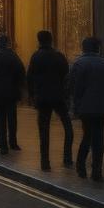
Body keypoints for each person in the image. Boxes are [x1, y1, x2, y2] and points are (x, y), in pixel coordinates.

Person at [27, 29, 73, 172]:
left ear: (39, 40)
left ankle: (45, 162)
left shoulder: (35, 57)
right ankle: (67, 157)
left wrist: (32, 95)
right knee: (68, 127)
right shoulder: (59, 56)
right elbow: (67, 76)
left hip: (42, 98)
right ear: (51, 40)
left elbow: (29, 77)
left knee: (44, 131)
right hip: (58, 96)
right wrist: (66, 94)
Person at [69, 36, 104, 183]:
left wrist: (75, 106)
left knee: (87, 136)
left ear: (84, 48)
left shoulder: (78, 64)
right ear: (97, 48)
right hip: (101, 107)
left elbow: (74, 88)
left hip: (85, 107)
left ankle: (81, 166)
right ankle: (97, 171)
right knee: (99, 138)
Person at [0, 33, 25, 155]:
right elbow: (21, 72)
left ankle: (3, 146)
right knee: (12, 118)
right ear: (7, 42)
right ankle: (13, 143)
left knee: (1, 119)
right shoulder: (13, 56)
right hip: (11, 92)